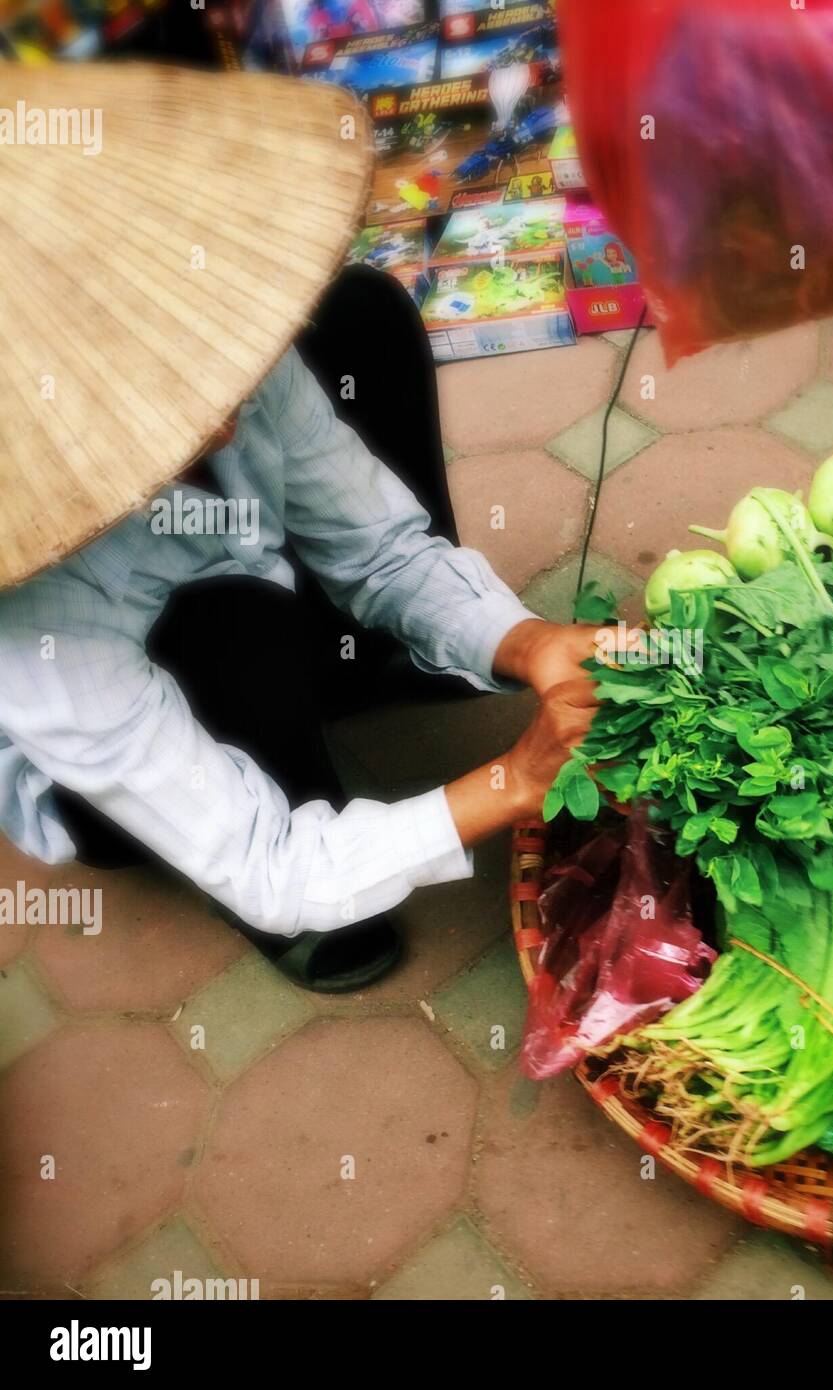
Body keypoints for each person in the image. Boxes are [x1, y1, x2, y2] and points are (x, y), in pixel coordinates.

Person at [0, 62, 600, 993]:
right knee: (234, 625)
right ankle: (291, 794)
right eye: (174, 390)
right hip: (123, 744)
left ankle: (384, 657)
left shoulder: (226, 347)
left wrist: (526, 642)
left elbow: (384, 548)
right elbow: (274, 868)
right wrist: (511, 783)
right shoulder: (41, 626)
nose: (226, 388)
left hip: (255, 571)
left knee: (360, 317)